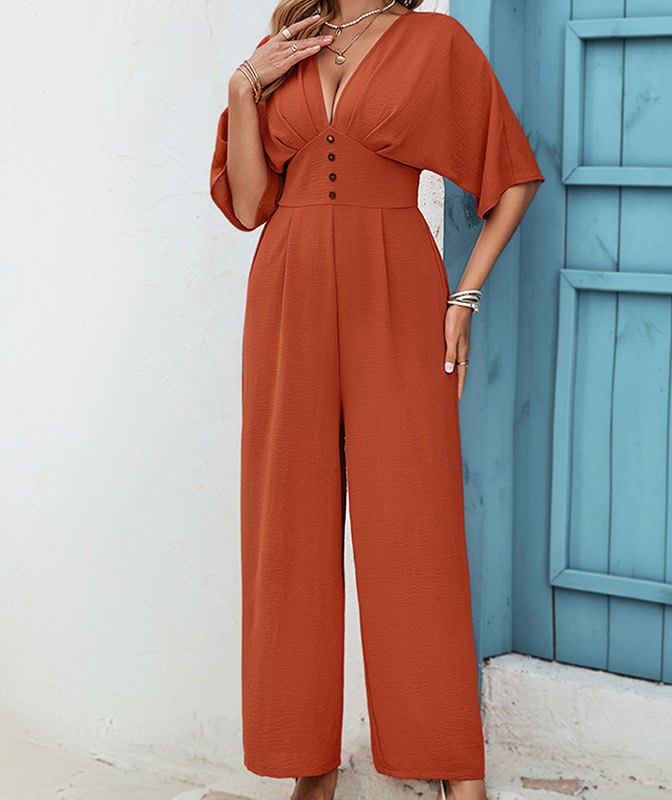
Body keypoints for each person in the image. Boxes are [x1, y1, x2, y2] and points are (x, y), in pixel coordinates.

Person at [206, 2, 543, 799]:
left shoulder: (435, 41)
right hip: (287, 290)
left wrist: (465, 295)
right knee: (287, 525)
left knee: (416, 525)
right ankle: (309, 765)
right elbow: (250, 206)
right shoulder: (282, 46)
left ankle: (453, 764)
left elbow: (513, 176)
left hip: (396, 285)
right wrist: (244, 87)